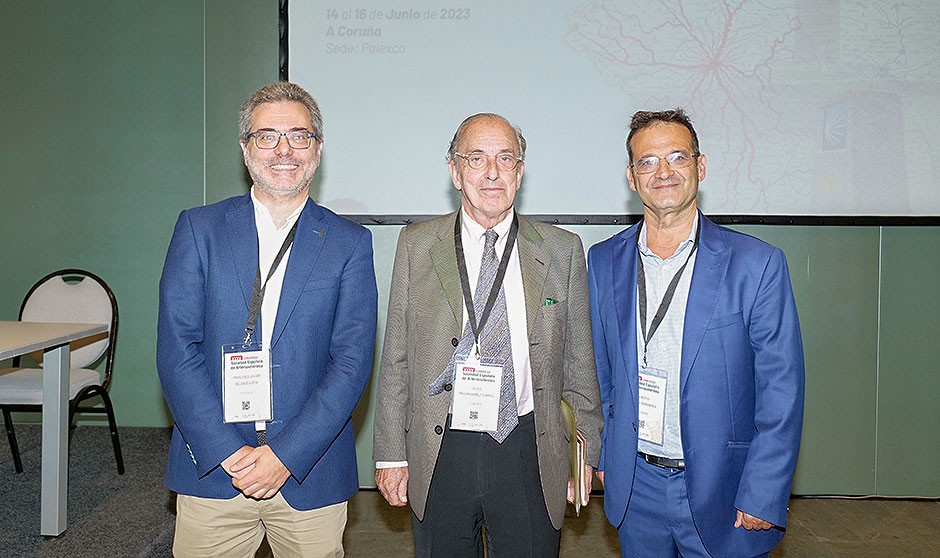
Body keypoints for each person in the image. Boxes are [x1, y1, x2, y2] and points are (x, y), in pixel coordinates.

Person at [157, 81, 377, 557]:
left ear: (317, 149)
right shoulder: (199, 229)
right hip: (214, 469)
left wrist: (284, 456)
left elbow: (351, 363)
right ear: (245, 147)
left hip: (308, 474)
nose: (284, 150)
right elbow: (178, 350)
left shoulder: (349, 243)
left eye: (299, 136)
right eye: (266, 136)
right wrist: (228, 451)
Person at [372, 113, 602, 557]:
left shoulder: (561, 249)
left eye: (505, 158)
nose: (491, 172)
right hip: (441, 447)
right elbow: (397, 356)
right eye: (476, 158)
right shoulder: (416, 245)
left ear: (520, 171)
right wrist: (390, 454)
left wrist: (585, 456)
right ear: (455, 171)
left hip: (528, 449)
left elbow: (579, 363)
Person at [588, 108, 805, 558]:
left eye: (677, 157)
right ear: (631, 177)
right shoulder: (604, 261)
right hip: (638, 486)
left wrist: (763, 490)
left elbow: (781, 390)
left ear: (700, 167)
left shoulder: (757, 264)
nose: (662, 172)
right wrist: (608, 457)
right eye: (647, 161)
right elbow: (602, 372)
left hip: (722, 488)